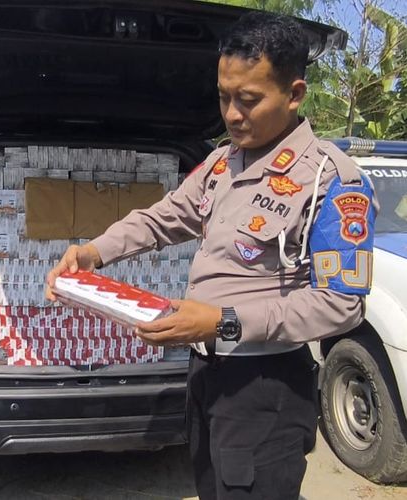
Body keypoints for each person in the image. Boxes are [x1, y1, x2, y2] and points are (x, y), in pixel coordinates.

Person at [46, 12, 377, 500]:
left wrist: (223, 321)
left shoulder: (333, 180)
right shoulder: (223, 162)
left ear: (295, 94)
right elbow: (162, 218)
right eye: (224, 97)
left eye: (248, 100)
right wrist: (95, 251)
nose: (232, 114)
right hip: (205, 373)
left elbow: (342, 304)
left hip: (265, 386)